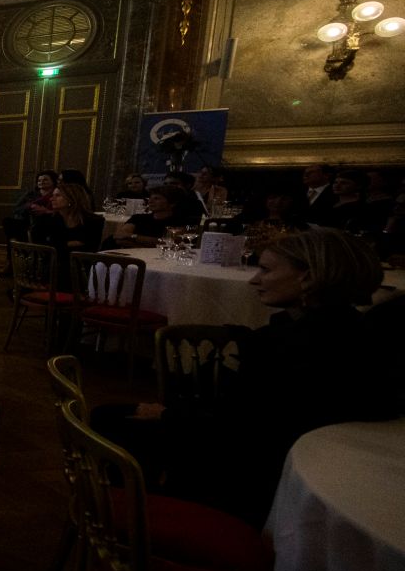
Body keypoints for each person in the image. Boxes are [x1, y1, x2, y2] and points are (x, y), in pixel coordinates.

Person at [92, 229, 396, 525]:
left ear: (309, 277)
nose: (254, 280)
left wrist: (169, 414)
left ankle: (140, 521)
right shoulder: (358, 332)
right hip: (287, 452)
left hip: (250, 471)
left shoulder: (298, 345)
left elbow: (245, 426)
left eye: (266, 270)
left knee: (109, 420)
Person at [28, 183, 103, 268]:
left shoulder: (93, 220)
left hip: (82, 266)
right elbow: (40, 244)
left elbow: (91, 247)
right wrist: (69, 243)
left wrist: (57, 244)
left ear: (72, 198)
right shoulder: (48, 219)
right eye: (52, 195)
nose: (51, 199)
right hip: (52, 264)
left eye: (58, 195)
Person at [111, 185, 201, 247]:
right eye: (150, 198)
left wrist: (132, 236)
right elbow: (119, 237)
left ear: (172, 203)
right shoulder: (138, 218)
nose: (150, 201)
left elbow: (172, 243)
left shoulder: (180, 222)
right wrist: (152, 244)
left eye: (157, 198)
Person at [6, 170, 58, 244]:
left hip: (49, 221)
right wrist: (30, 206)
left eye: (45, 180)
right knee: (8, 222)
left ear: (53, 181)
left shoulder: (57, 194)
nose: (41, 182)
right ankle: (16, 247)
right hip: (28, 220)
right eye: (39, 180)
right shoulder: (31, 194)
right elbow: (17, 208)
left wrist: (46, 211)